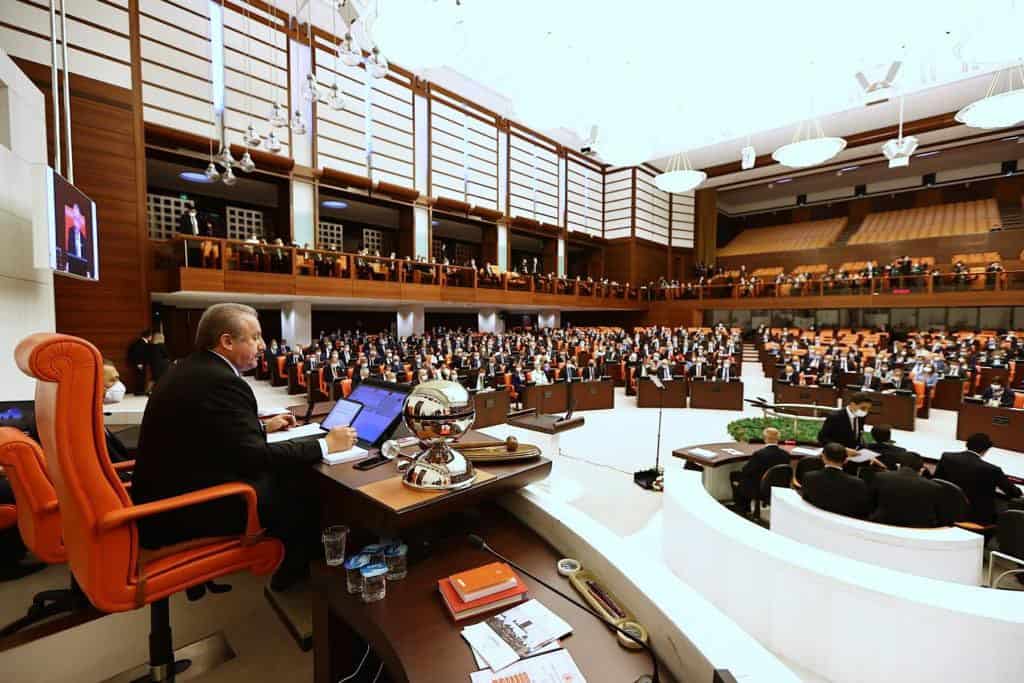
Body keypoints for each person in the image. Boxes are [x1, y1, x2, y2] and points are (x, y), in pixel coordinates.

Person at [131, 303, 359, 592]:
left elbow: (210, 434)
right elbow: (255, 458)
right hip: (185, 510)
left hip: (167, 494)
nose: (263, 345)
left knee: (292, 473)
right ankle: (298, 575)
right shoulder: (221, 381)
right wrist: (326, 444)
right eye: (256, 337)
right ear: (227, 341)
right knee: (302, 487)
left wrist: (262, 428)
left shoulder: (191, 368)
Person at [934, 433, 1023, 525]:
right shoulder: (992, 470)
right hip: (975, 519)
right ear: (986, 450)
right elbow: (1014, 493)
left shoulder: (946, 457)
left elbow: (936, 480)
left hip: (945, 511)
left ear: (967, 444)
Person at [869, 452, 946, 528]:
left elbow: (870, 503)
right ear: (921, 470)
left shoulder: (880, 477)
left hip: (882, 525)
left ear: (898, 466)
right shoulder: (935, 487)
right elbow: (939, 516)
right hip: (919, 531)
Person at [801, 442, 872, 520]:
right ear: (845, 460)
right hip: (845, 524)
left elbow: (805, 503)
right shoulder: (858, 483)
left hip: (814, 521)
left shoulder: (809, 477)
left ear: (823, 457)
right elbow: (862, 511)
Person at [730, 428, 790, 515]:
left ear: (765, 438)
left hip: (759, 489)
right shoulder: (786, 455)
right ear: (778, 439)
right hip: (777, 487)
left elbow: (746, 470)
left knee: (735, 475)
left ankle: (742, 508)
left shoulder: (759, 454)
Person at [126, 329, 152, 395]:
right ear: (148, 336)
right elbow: (137, 353)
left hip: (143, 363)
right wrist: (139, 363)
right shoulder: (140, 342)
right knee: (140, 378)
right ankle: (139, 391)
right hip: (140, 363)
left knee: (142, 377)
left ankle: (141, 391)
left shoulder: (144, 342)